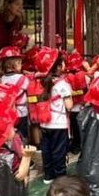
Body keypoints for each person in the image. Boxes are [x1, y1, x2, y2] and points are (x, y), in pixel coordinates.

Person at [34, 50, 73, 184]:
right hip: (58, 124)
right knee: (58, 151)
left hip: (45, 123)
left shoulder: (42, 82)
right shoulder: (62, 85)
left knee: (47, 149)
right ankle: (60, 177)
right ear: (57, 67)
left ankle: (48, 176)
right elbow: (69, 106)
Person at [0, 46, 30, 140]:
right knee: (22, 136)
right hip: (21, 113)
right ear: (15, 64)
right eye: (20, 62)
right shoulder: (23, 79)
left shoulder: (1, 79)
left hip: (7, 113)